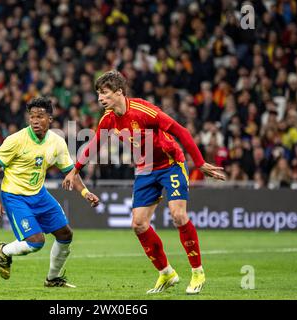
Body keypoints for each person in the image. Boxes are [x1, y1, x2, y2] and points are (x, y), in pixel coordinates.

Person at [63, 70, 226, 295]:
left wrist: (199, 163)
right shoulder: (108, 119)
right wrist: (75, 170)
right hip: (145, 169)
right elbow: (94, 144)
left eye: (105, 93)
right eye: (98, 93)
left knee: (178, 215)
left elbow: (181, 131)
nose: (100, 98)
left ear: (119, 92)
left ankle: (197, 271)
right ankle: (167, 273)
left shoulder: (144, 110)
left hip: (170, 164)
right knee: (138, 224)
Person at [0, 97, 99, 288]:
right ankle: (4, 250)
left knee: (65, 235)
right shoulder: (16, 140)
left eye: (40, 116)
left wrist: (85, 192)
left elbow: (70, 171)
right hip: (15, 196)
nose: (35, 120)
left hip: (39, 194)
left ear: (50, 119)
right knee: (36, 242)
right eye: (32, 117)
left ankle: (53, 279)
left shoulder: (57, 142)